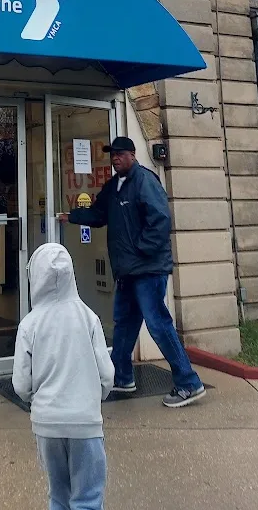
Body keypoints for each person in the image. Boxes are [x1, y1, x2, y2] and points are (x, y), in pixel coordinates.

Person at [64, 136, 206, 409]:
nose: (115, 158)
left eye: (120, 154)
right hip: (128, 271)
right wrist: (70, 216)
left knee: (158, 323)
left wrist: (141, 250)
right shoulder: (115, 187)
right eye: (112, 155)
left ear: (132, 155)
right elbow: (98, 214)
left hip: (148, 269)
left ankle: (189, 382)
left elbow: (160, 220)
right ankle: (123, 377)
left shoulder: (144, 181)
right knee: (125, 325)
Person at [13, 243, 114, 510]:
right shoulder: (89, 317)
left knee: (59, 497)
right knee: (86, 504)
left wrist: (34, 399)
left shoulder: (29, 324)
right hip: (85, 423)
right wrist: (98, 396)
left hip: (47, 425)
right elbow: (107, 374)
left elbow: (21, 384)